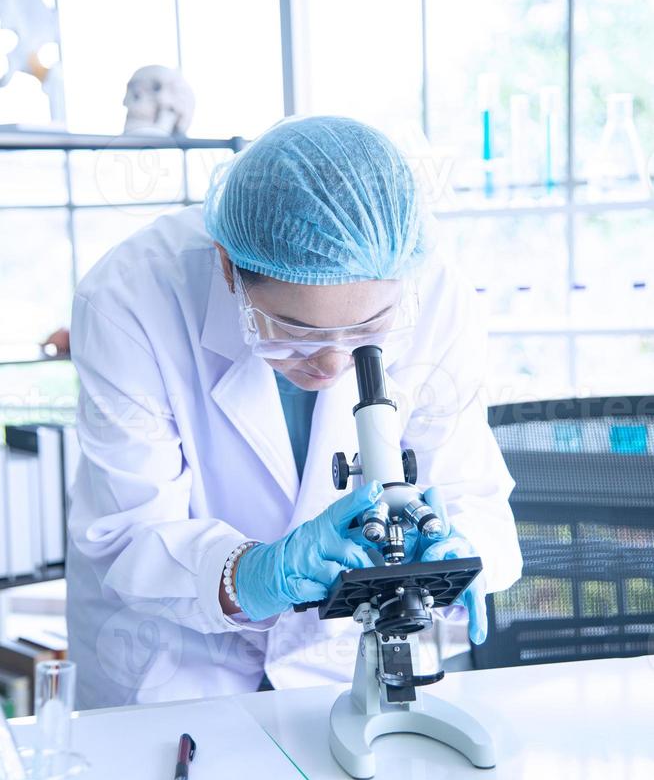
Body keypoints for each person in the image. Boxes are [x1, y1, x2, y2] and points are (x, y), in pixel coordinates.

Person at [66, 116, 522, 710]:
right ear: (229, 268)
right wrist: (256, 574)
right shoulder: (129, 300)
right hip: (173, 672)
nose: (331, 364)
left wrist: (462, 552)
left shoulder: (432, 291)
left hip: (340, 669)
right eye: (295, 332)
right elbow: (127, 534)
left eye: (366, 331)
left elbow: (471, 490)